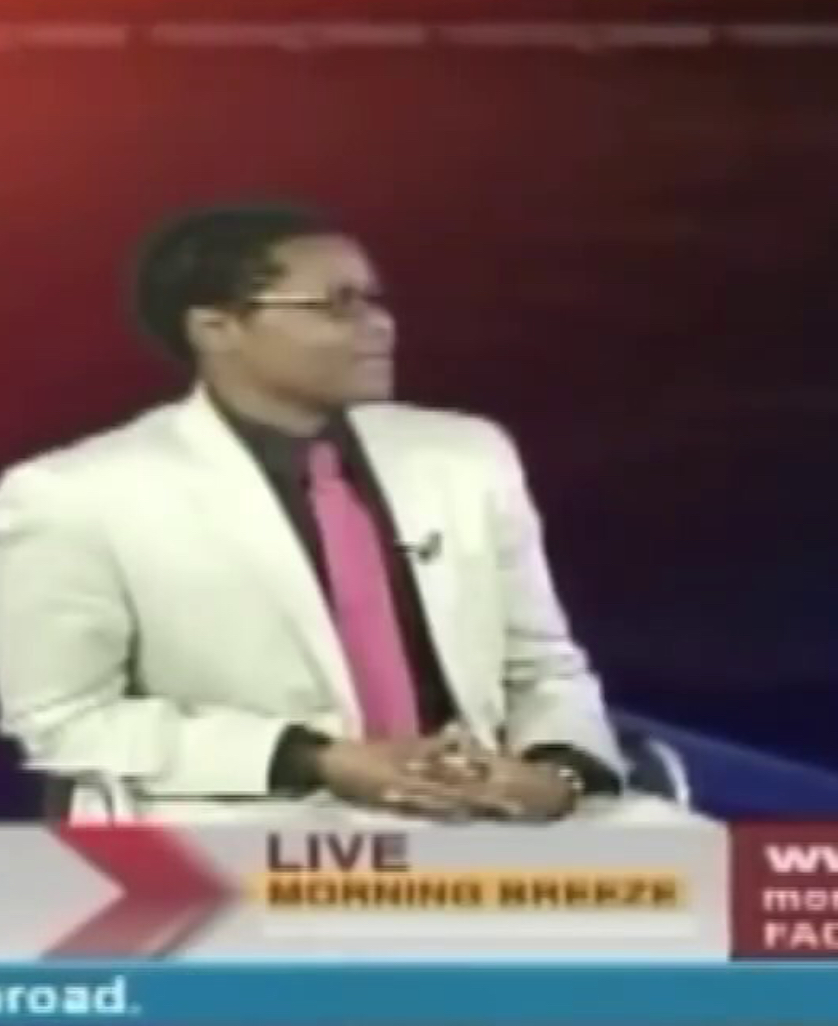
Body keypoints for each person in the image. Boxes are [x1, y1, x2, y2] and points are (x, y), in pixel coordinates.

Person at [0, 202, 634, 826]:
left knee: (673, 872)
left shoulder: (466, 456)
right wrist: (315, 761)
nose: (379, 325)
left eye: (375, 301)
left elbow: (543, 666)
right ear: (215, 328)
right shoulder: (74, 494)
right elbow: (63, 720)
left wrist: (558, 775)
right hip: (251, 824)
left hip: (486, 816)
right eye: (337, 305)